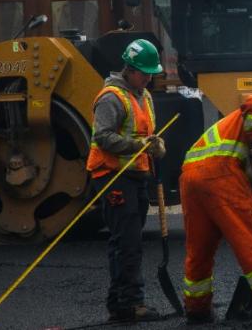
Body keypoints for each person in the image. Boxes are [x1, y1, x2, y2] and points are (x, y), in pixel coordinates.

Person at [180, 94, 252, 323]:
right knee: (250, 239)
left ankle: (197, 308)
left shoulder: (229, 131)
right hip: (219, 175)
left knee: (199, 249)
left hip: (190, 179)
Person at [86, 38, 167, 323]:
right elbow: (102, 137)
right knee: (128, 242)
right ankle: (132, 304)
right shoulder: (111, 98)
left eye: (150, 72)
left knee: (125, 240)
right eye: (144, 72)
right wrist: (139, 146)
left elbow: (143, 133)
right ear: (129, 69)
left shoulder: (143, 95)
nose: (149, 77)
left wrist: (154, 145)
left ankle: (118, 303)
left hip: (135, 175)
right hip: (112, 176)